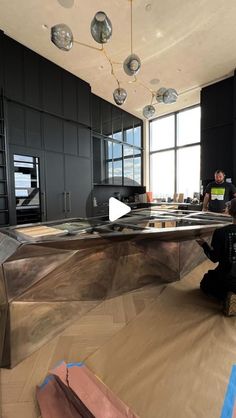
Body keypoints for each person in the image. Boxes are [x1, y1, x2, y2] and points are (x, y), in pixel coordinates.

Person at [196, 198, 236, 316]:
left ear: (230, 211)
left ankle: (229, 296)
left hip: (229, 279)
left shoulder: (221, 232)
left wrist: (203, 245)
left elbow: (214, 258)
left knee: (206, 282)